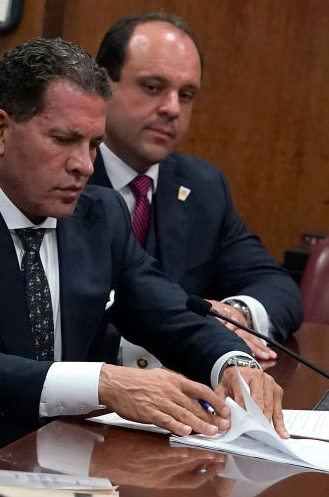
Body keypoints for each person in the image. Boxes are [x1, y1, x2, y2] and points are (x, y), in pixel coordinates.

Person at [0, 37, 287, 461]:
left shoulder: (99, 215)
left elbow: (173, 316)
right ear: (0, 131)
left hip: (72, 464)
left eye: (94, 144)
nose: (84, 164)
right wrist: (105, 384)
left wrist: (234, 362)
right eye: (64, 139)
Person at [92, 12, 303, 367]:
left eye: (186, 94)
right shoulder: (64, 179)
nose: (173, 109)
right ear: (102, 86)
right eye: (153, 87)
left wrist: (235, 315)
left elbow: (276, 286)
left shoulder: (202, 187)